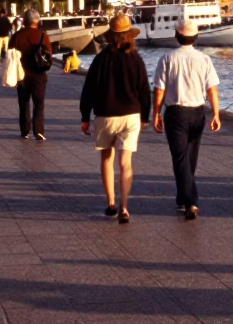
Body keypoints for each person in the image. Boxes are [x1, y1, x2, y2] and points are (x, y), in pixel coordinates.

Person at [80, 14, 151, 224]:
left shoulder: (100, 59)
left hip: (105, 114)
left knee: (106, 158)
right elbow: (144, 90)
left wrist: (85, 116)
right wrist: (145, 116)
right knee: (125, 162)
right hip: (131, 115)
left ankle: (111, 202)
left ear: (110, 36)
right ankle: (125, 207)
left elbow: (89, 89)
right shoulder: (135, 59)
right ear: (130, 36)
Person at [152, 19, 221, 219]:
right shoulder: (204, 59)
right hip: (197, 112)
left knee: (180, 157)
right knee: (190, 157)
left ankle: (190, 201)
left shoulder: (167, 58)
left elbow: (159, 90)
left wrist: (155, 112)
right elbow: (212, 89)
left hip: (175, 112)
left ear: (177, 35)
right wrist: (215, 113)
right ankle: (182, 197)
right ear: (196, 37)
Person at [10, 9, 52, 140]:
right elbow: (48, 54)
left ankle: (25, 130)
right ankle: (39, 131)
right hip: (39, 74)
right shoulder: (42, 36)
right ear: (37, 21)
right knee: (39, 103)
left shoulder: (16, 36)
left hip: (21, 74)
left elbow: (11, 55)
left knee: (23, 103)